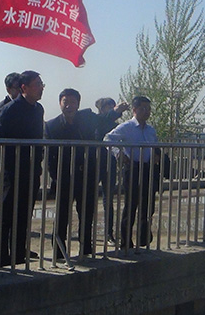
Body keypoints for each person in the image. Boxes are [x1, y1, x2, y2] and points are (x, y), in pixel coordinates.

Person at [0, 70, 45, 267]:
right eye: (37, 85)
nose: (41, 88)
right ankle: (1, 255)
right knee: (6, 213)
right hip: (11, 170)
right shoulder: (9, 110)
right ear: (24, 88)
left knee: (25, 212)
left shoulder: (38, 109)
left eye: (41, 85)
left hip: (31, 170)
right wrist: (0, 164)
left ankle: (19, 253)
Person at [46, 88, 98, 259]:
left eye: (73, 102)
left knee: (86, 214)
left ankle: (86, 249)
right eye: (65, 102)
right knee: (62, 215)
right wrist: (56, 177)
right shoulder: (51, 126)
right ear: (60, 103)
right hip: (64, 177)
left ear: (78, 104)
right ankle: (59, 252)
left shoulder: (86, 123)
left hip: (85, 176)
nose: (69, 106)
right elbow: (50, 157)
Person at [104, 96, 160, 249]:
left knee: (147, 205)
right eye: (143, 108)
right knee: (131, 205)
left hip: (148, 169)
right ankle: (126, 241)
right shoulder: (127, 127)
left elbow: (155, 146)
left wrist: (156, 155)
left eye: (148, 109)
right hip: (132, 168)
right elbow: (107, 139)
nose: (146, 112)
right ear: (134, 110)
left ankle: (143, 239)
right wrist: (118, 153)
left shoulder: (151, 130)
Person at [77, 97, 129, 244]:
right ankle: (87, 234)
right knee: (89, 199)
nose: (112, 109)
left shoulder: (116, 126)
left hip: (109, 164)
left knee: (108, 199)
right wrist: (115, 112)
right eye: (109, 107)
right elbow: (101, 123)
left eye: (113, 106)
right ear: (102, 108)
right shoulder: (95, 121)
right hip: (94, 164)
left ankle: (109, 233)